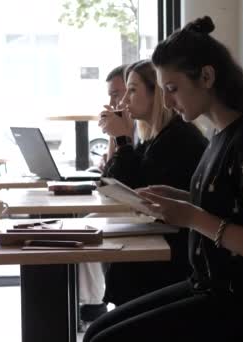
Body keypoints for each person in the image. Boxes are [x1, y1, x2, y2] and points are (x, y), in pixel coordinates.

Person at [83, 16, 243, 342]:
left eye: (172, 89)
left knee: (102, 339)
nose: (168, 101)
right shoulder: (221, 135)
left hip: (231, 299)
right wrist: (182, 198)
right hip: (203, 284)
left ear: (206, 76)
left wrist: (191, 216)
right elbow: (225, 206)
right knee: (96, 330)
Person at [79, 59, 208, 323]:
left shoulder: (178, 139)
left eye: (133, 90)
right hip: (158, 246)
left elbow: (136, 193)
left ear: (157, 93)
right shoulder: (154, 138)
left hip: (172, 259)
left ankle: (96, 309)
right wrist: (118, 139)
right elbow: (110, 184)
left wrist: (123, 138)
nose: (124, 100)